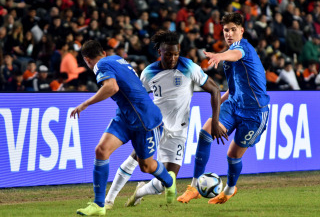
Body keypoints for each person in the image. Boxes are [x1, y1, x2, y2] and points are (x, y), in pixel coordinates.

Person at [104, 31, 226, 209]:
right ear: (159, 52)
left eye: (176, 54)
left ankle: (139, 192)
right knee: (134, 159)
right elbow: (137, 98)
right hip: (155, 125)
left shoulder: (189, 67)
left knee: (167, 182)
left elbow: (215, 90)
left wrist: (215, 122)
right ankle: (108, 200)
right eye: (168, 54)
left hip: (179, 132)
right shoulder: (148, 72)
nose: (173, 58)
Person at [71, 40, 176, 216]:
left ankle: (169, 180)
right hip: (125, 116)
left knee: (147, 166)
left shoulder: (100, 65)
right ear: (103, 52)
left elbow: (112, 87)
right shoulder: (116, 59)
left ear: (87, 59)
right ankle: (99, 205)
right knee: (101, 150)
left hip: (145, 119)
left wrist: (85, 104)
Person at [177, 12, 270, 204]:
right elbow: (233, 88)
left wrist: (219, 55)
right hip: (235, 104)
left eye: (233, 30)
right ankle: (194, 187)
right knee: (205, 133)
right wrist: (219, 104)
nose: (229, 34)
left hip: (254, 113)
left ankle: (228, 190)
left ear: (241, 31)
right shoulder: (228, 60)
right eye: (226, 30)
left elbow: (235, 53)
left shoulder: (242, 48)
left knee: (233, 156)